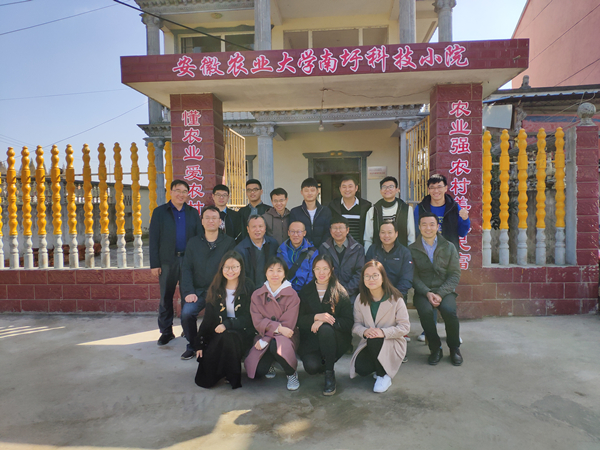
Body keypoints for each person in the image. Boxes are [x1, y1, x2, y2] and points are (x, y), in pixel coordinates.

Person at [414, 174, 470, 343]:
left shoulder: (454, 207)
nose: (436, 190)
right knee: (427, 294)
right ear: (428, 190)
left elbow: (462, 232)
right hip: (425, 254)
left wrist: (465, 219)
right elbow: (416, 230)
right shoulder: (420, 208)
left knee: (446, 296)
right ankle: (428, 330)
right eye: (432, 187)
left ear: (446, 188)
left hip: (447, 257)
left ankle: (452, 332)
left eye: (439, 186)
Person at [149, 180, 203, 347]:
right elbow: (153, 239)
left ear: (188, 194)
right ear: (170, 192)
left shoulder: (192, 213)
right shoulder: (159, 212)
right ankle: (166, 331)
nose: (181, 194)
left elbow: (199, 237)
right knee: (166, 296)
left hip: (188, 261)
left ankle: (187, 330)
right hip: (167, 261)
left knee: (188, 296)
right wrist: (154, 264)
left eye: (184, 191)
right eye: (177, 190)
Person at [180, 206, 236, 360]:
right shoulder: (193, 243)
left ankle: (216, 345)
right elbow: (186, 269)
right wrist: (189, 291)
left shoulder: (228, 242)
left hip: (220, 290)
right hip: (198, 291)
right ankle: (193, 345)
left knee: (222, 317)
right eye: (207, 218)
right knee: (187, 313)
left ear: (220, 222)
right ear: (202, 221)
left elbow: (232, 268)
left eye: (214, 218)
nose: (211, 221)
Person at [193, 251, 255, 389]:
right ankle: (226, 372)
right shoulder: (216, 287)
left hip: (242, 332)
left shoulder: (248, 286)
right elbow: (208, 318)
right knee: (205, 374)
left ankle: (231, 376)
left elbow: (249, 317)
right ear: (221, 268)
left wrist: (228, 324)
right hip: (220, 332)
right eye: (227, 267)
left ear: (241, 268)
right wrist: (200, 342)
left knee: (229, 337)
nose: (230, 271)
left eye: (235, 267)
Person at [409, 212, 463, 366]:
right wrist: (427, 292)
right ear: (419, 227)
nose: (428, 228)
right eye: (424, 224)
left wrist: (440, 293)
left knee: (449, 310)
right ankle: (435, 348)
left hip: (444, 290)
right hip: (423, 291)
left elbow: (454, 274)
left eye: (432, 224)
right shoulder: (412, 249)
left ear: (438, 227)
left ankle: (454, 348)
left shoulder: (449, 247)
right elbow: (413, 276)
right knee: (425, 311)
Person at [350, 260, 410, 393]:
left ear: (383, 277)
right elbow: (356, 324)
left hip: (391, 342)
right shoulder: (360, 299)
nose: (371, 279)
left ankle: (384, 375)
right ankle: (379, 367)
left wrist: (383, 332)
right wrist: (365, 331)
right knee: (361, 369)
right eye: (367, 276)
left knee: (375, 338)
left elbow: (405, 327)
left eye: (375, 275)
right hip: (369, 342)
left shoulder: (396, 299)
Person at [298, 254, 353, 396]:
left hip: (335, 339)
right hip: (312, 341)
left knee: (325, 329)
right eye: (317, 269)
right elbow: (299, 320)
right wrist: (315, 317)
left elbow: (348, 322)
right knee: (311, 367)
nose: (321, 272)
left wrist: (325, 321)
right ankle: (324, 363)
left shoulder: (340, 291)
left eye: (325, 268)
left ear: (332, 270)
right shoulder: (306, 291)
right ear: (313, 270)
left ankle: (330, 373)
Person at [244, 257, 301, 391]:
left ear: (284, 274)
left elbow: (288, 326)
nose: (275, 274)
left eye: (279, 270)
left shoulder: (293, 295)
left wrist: (269, 335)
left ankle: (291, 373)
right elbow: (257, 321)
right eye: (271, 270)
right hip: (263, 335)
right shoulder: (257, 295)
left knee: (277, 345)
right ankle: (271, 362)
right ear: (265, 273)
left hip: (286, 338)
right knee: (257, 371)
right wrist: (275, 330)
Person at [318, 217, 364, 303]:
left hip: (351, 294)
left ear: (347, 230)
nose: (338, 231)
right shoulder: (324, 248)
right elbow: (321, 271)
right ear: (330, 230)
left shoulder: (357, 248)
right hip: (328, 293)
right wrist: (332, 291)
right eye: (335, 228)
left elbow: (360, 273)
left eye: (341, 228)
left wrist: (345, 291)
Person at [364, 176, 415, 252]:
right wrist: (368, 254)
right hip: (378, 254)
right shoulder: (373, 210)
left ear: (397, 190)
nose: (387, 189)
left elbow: (411, 236)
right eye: (384, 187)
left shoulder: (406, 209)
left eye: (391, 187)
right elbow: (368, 238)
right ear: (380, 191)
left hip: (401, 254)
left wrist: (410, 255)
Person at [366, 222, 413, 301]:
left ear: (396, 234)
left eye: (390, 232)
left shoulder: (404, 252)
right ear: (379, 234)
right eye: (383, 232)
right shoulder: (372, 250)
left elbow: (406, 278)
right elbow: (366, 274)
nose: (386, 236)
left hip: (397, 296)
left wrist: (395, 296)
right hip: (374, 295)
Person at [235, 215, 278, 286]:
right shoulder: (240, 249)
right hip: (249, 289)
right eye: (254, 227)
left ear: (265, 228)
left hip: (271, 288)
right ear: (248, 229)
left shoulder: (273, 244)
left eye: (260, 226)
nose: (257, 230)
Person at [328, 175, 372, 245]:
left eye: (350, 186)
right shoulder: (333, 206)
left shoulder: (366, 206)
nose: (347, 189)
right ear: (340, 189)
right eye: (344, 187)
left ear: (356, 188)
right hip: (339, 246)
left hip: (359, 247)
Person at [289, 177, 332, 248]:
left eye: (312, 190)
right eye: (306, 190)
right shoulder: (295, 212)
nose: (309, 193)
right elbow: (294, 232)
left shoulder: (326, 211)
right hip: (302, 250)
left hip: (323, 250)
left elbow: (328, 232)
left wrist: (321, 248)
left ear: (317, 191)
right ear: (301, 192)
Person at [277, 221, 319, 292]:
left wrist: (305, 292)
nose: (295, 235)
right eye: (292, 231)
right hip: (284, 290)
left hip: (305, 291)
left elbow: (312, 275)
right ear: (288, 233)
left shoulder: (312, 252)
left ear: (304, 233)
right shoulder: (281, 250)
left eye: (299, 232)